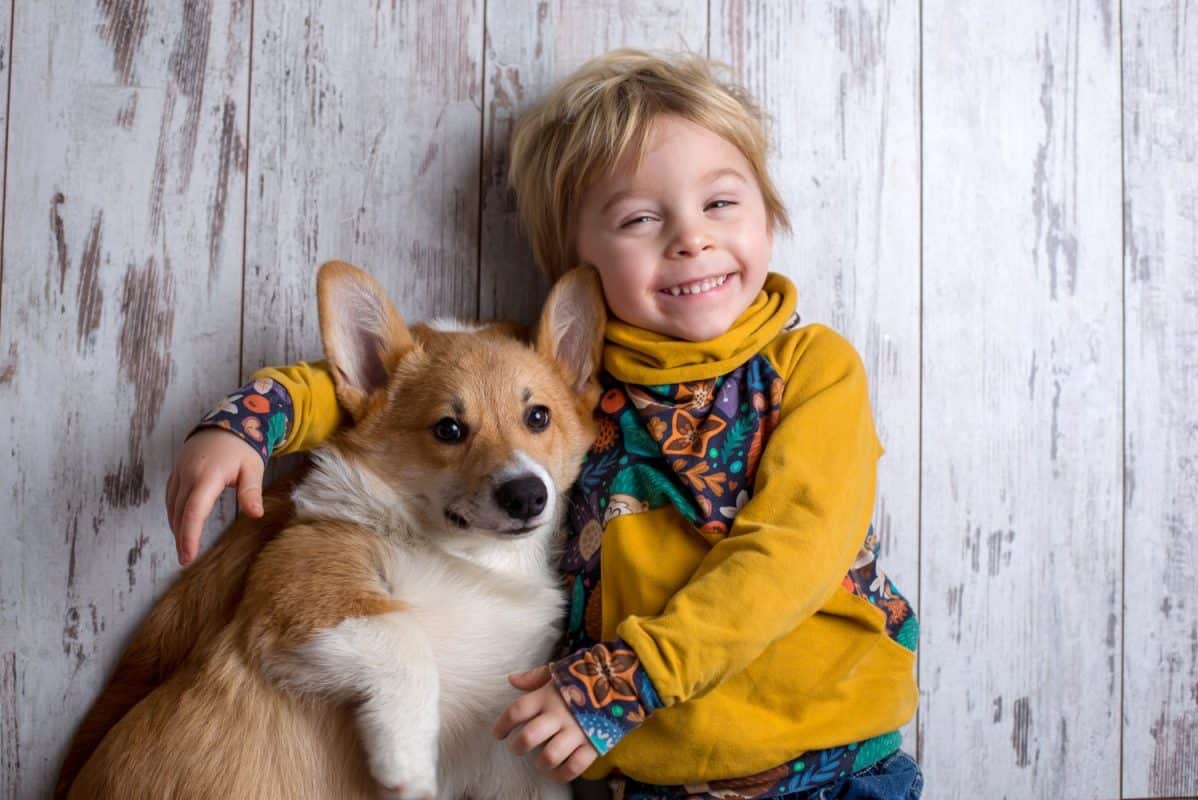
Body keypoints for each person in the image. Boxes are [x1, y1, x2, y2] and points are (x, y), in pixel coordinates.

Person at [167, 50, 922, 800]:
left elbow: (794, 548)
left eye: (720, 203)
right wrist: (248, 423)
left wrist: (624, 681)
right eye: (640, 218)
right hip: (646, 773)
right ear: (579, 263)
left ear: (769, 209)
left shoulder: (809, 368)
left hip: (828, 753)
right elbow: (385, 395)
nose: (690, 237)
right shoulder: (561, 376)